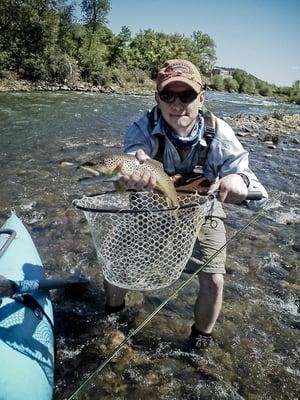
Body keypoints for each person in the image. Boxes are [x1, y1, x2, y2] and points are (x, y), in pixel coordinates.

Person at [104, 59, 268, 350]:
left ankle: (200, 339)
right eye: (168, 95)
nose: (177, 104)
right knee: (118, 263)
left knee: (215, 280)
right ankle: (112, 316)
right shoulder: (142, 128)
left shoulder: (219, 133)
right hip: (150, 201)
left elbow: (253, 184)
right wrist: (132, 175)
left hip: (202, 206)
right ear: (157, 98)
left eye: (187, 95)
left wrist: (239, 181)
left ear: (201, 98)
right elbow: (130, 159)